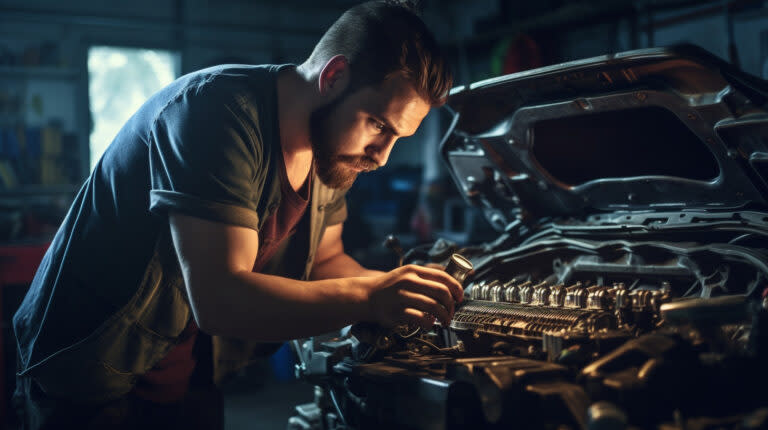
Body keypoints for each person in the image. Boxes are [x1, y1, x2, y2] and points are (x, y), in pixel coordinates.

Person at [12, 1, 458, 429]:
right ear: (334, 76)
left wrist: (396, 294)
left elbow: (326, 262)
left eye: (398, 137)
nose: (381, 157)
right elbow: (220, 297)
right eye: (379, 125)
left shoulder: (329, 150)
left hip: (186, 376)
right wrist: (368, 298)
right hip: (90, 375)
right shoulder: (217, 113)